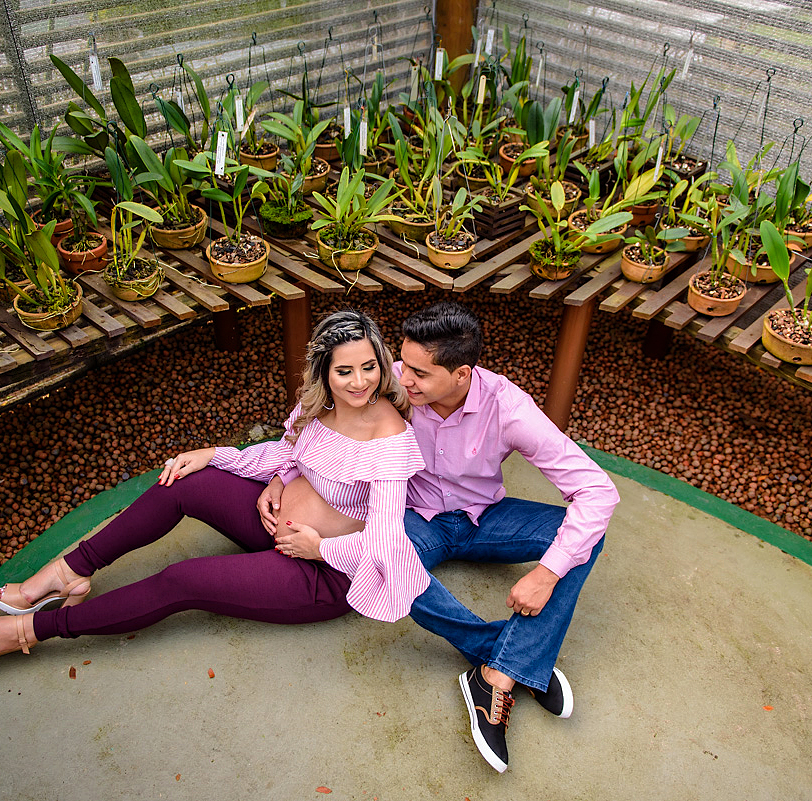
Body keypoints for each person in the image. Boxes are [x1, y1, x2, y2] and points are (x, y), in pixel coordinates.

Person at [0, 310, 429, 658]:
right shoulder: (317, 407)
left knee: (183, 581)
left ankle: (29, 630)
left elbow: (385, 541)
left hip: (324, 574)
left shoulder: (389, 436)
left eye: (369, 367)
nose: (360, 382)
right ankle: (69, 571)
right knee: (184, 483)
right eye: (344, 370)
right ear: (324, 370)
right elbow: (289, 453)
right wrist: (219, 457)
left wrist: (320, 548)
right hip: (276, 524)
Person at [262, 302, 618, 772]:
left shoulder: (508, 409)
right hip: (415, 516)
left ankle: (497, 674)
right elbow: (311, 416)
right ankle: (510, 662)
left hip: (483, 516)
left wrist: (547, 575)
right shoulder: (386, 376)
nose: (401, 379)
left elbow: (597, 491)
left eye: (419, 374)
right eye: (402, 364)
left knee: (584, 538)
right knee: (387, 557)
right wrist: (283, 472)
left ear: (462, 374)